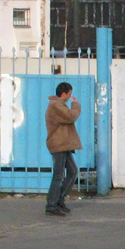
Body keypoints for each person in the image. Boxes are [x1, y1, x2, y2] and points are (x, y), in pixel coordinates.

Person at [45, 82, 83, 217]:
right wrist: (76, 105)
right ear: (64, 93)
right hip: (58, 144)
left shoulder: (58, 105)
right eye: (69, 93)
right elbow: (71, 116)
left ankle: (59, 199)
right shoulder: (56, 105)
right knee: (58, 175)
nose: (70, 96)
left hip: (64, 144)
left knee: (72, 171)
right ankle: (51, 205)